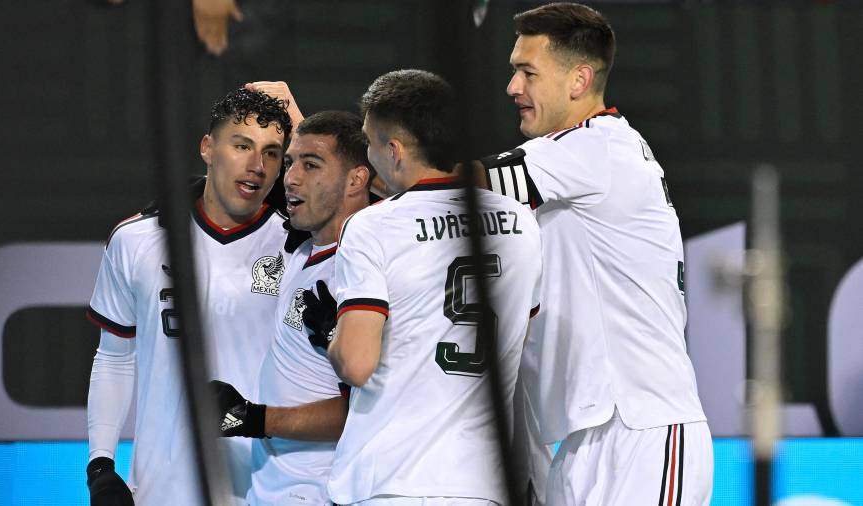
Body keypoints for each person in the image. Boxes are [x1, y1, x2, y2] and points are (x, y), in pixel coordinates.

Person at [478, 3, 713, 504]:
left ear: (579, 79)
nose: (513, 88)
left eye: (527, 72)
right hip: (582, 435)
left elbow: (454, 188)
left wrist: (355, 162)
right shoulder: (572, 156)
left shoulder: (597, 148)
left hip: (645, 430)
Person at [317, 69, 543, 506]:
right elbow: (522, 339)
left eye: (369, 141)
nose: (367, 154)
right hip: (484, 486)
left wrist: (333, 334)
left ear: (395, 150)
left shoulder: (372, 227)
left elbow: (356, 362)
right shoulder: (520, 221)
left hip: (391, 481)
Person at [84, 88, 294, 506]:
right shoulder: (136, 239)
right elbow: (114, 357)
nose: (257, 166)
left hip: (273, 488)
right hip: (161, 487)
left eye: (272, 153)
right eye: (242, 146)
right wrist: (100, 467)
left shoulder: (299, 246)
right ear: (208, 148)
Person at [208, 110, 374, 506]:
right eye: (290, 163)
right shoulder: (303, 250)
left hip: (327, 495)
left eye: (310, 165)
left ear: (357, 178)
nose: (291, 177)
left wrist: (255, 419)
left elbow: (374, 409)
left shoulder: (365, 274)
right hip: (270, 493)